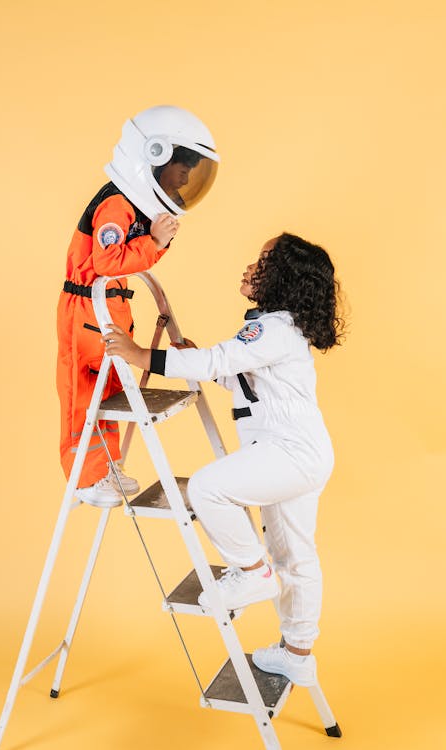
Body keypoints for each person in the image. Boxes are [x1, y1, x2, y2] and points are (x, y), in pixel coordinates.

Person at [102, 232, 345, 687]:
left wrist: (141, 356)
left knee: (208, 488)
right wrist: (202, 362)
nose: (251, 267)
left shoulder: (270, 327)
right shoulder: (281, 327)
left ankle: (252, 573)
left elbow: (220, 361)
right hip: (303, 452)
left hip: (289, 453)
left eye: (263, 261)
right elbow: (246, 385)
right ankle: (298, 653)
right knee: (295, 555)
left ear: (284, 279)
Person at [57, 106, 219, 508]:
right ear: (155, 157)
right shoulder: (115, 205)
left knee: (108, 392)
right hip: (85, 311)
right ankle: (85, 478)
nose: (184, 179)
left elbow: (129, 260)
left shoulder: (132, 206)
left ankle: (104, 468)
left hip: (108, 308)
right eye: (182, 169)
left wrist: (154, 243)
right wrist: (155, 243)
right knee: (83, 394)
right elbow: (106, 262)